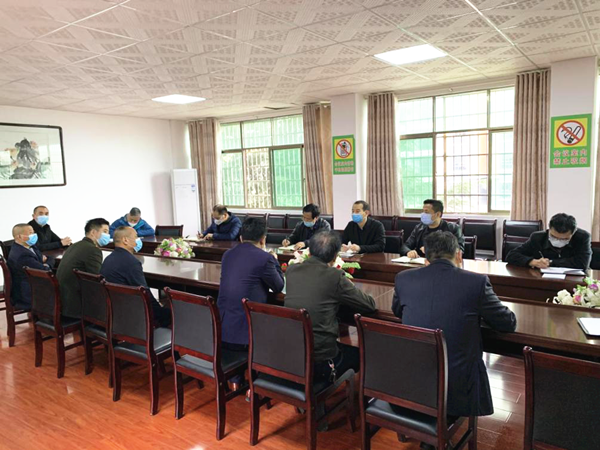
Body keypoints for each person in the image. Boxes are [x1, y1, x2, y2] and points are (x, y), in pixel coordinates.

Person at [392, 231, 516, 419]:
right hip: (457, 390)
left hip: (411, 382)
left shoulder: (403, 278)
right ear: (459, 255)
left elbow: (397, 311)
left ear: (426, 256)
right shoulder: (476, 282)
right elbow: (507, 323)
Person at [285, 231, 376, 384]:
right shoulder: (334, 276)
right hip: (321, 362)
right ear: (335, 257)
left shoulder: (291, 270)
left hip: (293, 354)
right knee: (361, 354)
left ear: (310, 251)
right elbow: (369, 305)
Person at [218, 217, 284, 352]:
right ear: (263, 240)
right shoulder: (265, 258)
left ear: (241, 238)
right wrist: (275, 260)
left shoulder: (227, 255)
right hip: (246, 334)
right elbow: (278, 286)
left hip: (221, 329)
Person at [100, 226, 170, 328]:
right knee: (172, 314)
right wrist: (161, 312)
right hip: (132, 315)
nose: (138, 239)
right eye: (136, 236)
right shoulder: (131, 262)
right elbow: (145, 294)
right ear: (125, 240)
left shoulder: (108, 259)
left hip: (113, 311)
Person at [56, 218, 110, 320]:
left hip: (63, 299)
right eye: (105, 231)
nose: (108, 235)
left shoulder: (75, 245)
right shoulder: (93, 250)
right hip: (75, 304)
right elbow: (96, 280)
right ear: (93, 232)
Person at [506, 213, 592, 270]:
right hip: (542, 280)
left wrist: (550, 262)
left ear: (573, 233)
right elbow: (512, 255)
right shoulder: (538, 238)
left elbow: (583, 263)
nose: (558, 240)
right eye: (554, 237)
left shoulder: (582, 237)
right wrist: (531, 261)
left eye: (564, 239)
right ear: (549, 229)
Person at [7, 223, 51, 311]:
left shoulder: (29, 246)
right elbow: (45, 270)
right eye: (30, 233)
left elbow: (43, 259)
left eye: (33, 232)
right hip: (28, 294)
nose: (34, 235)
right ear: (19, 236)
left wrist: (46, 262)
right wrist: (47, 263)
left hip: (33, 283)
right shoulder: (22, 255)